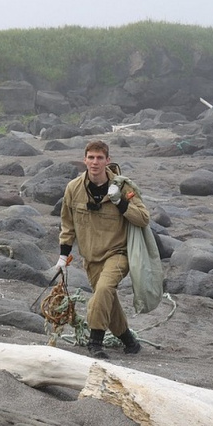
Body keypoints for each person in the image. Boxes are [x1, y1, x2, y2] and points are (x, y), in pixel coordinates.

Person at [55, 140, 150, 359]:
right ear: (84, 160)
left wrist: (120, 202)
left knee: (104, 289)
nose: (95, 162)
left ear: (108, 160)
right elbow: (67, 225)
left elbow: (143, 218)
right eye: (91, 157)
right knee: (106, 298)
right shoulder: (73, 188)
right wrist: (63, 257)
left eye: (99, 158)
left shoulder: (124, 187)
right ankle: (129, 341)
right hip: (91, 258)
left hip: (118, 253)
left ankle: (95, 342)